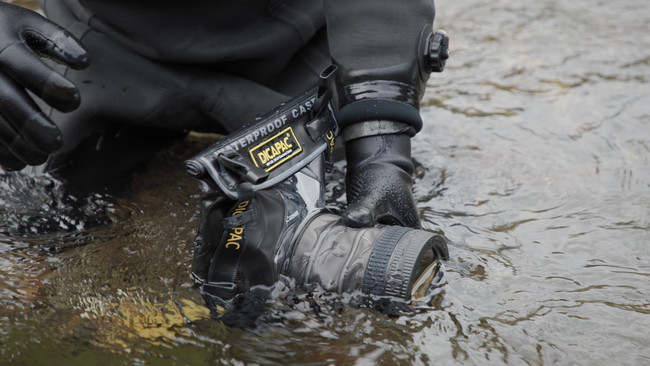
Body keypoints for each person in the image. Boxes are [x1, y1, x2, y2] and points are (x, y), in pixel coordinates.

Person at [0, 0, 440, 231]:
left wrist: (383, 148)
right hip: (98, 57)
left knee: (350, 224)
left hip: (299, 55)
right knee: (33, 218)